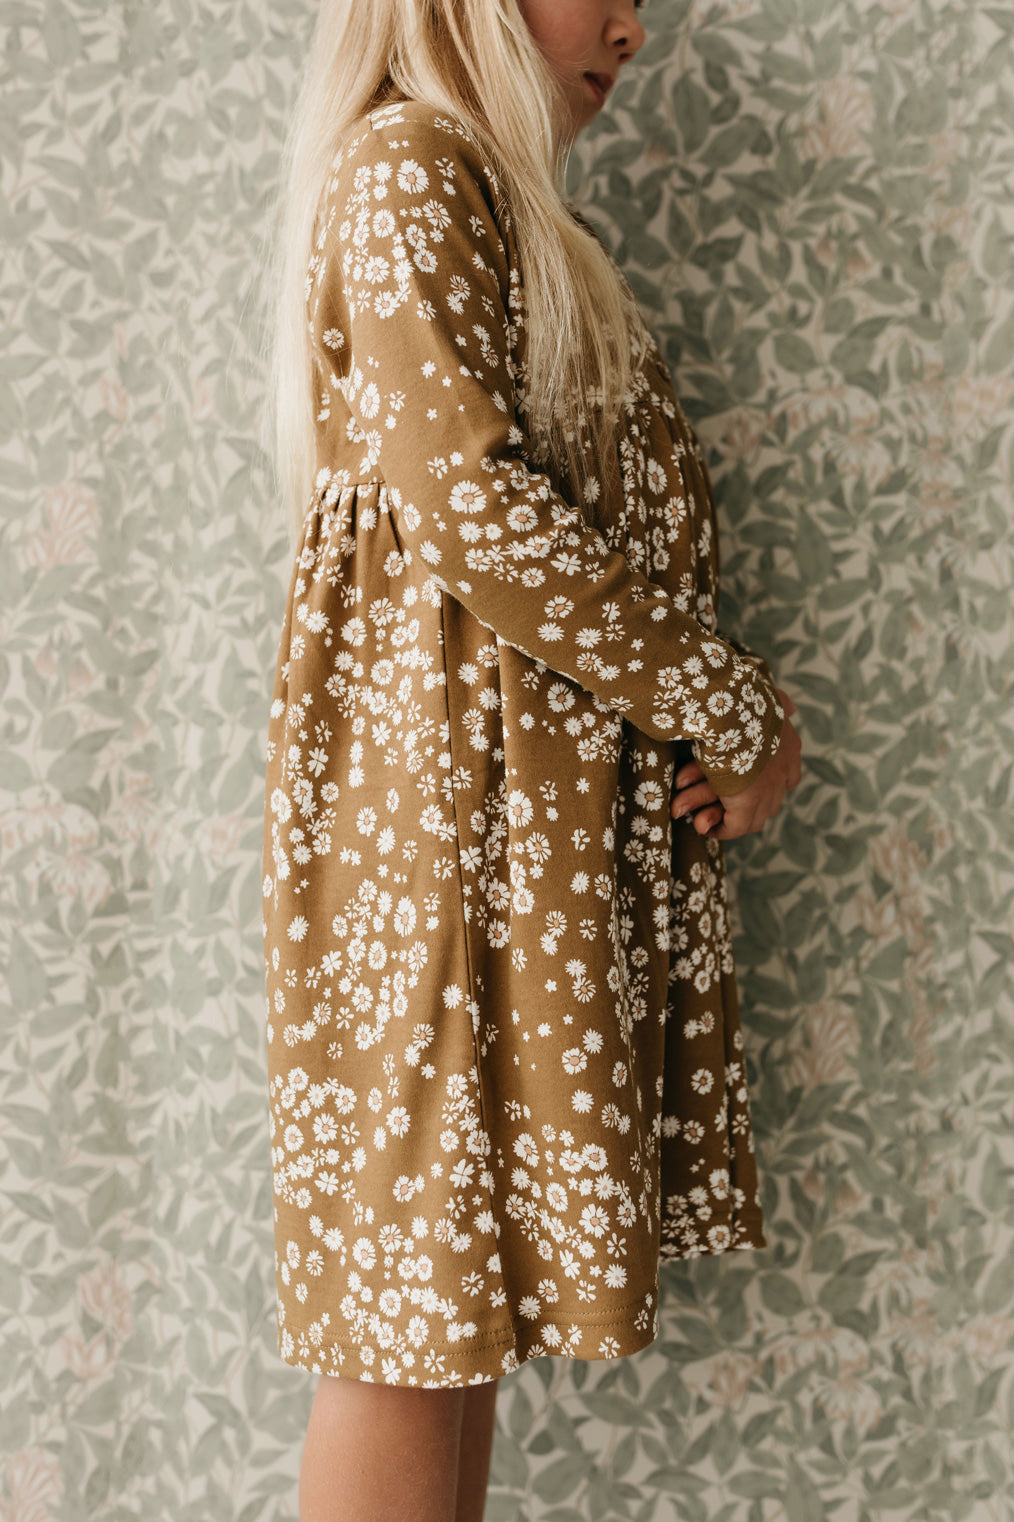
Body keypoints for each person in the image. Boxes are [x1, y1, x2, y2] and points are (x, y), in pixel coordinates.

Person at [259, 0, 803, 1517]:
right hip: (440, 861)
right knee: (406, 1329)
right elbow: (474, 510)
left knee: (446, 1332)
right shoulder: (410, 169)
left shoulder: (497, 206)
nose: (633, 28)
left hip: (500, 860)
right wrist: (730, 708)